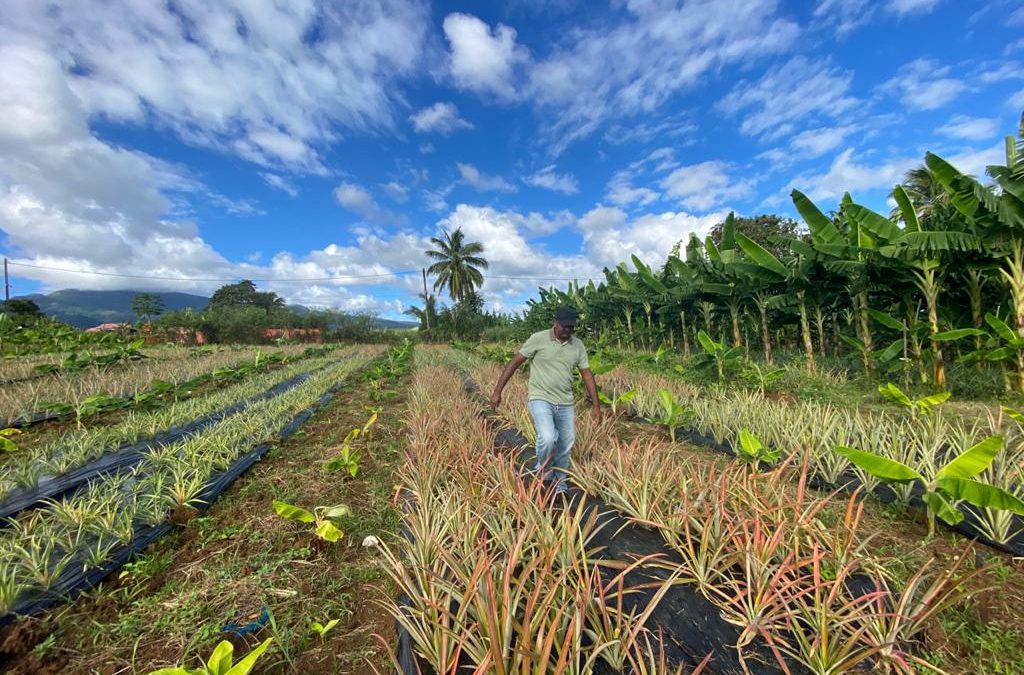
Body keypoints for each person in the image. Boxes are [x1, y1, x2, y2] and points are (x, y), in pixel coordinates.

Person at [489, 306, 601, 494]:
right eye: (564, 326)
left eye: (571, 327)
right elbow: (514, 363)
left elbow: (587, 374)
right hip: (540, 398)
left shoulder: (578, 345)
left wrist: (596, 406)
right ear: (554, 323)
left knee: (566, 443)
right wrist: (497, 392)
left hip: (565, 402)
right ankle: (545, 474)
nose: (567, 331)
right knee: (548, 438)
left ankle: (560, 485)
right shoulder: (538, 339)